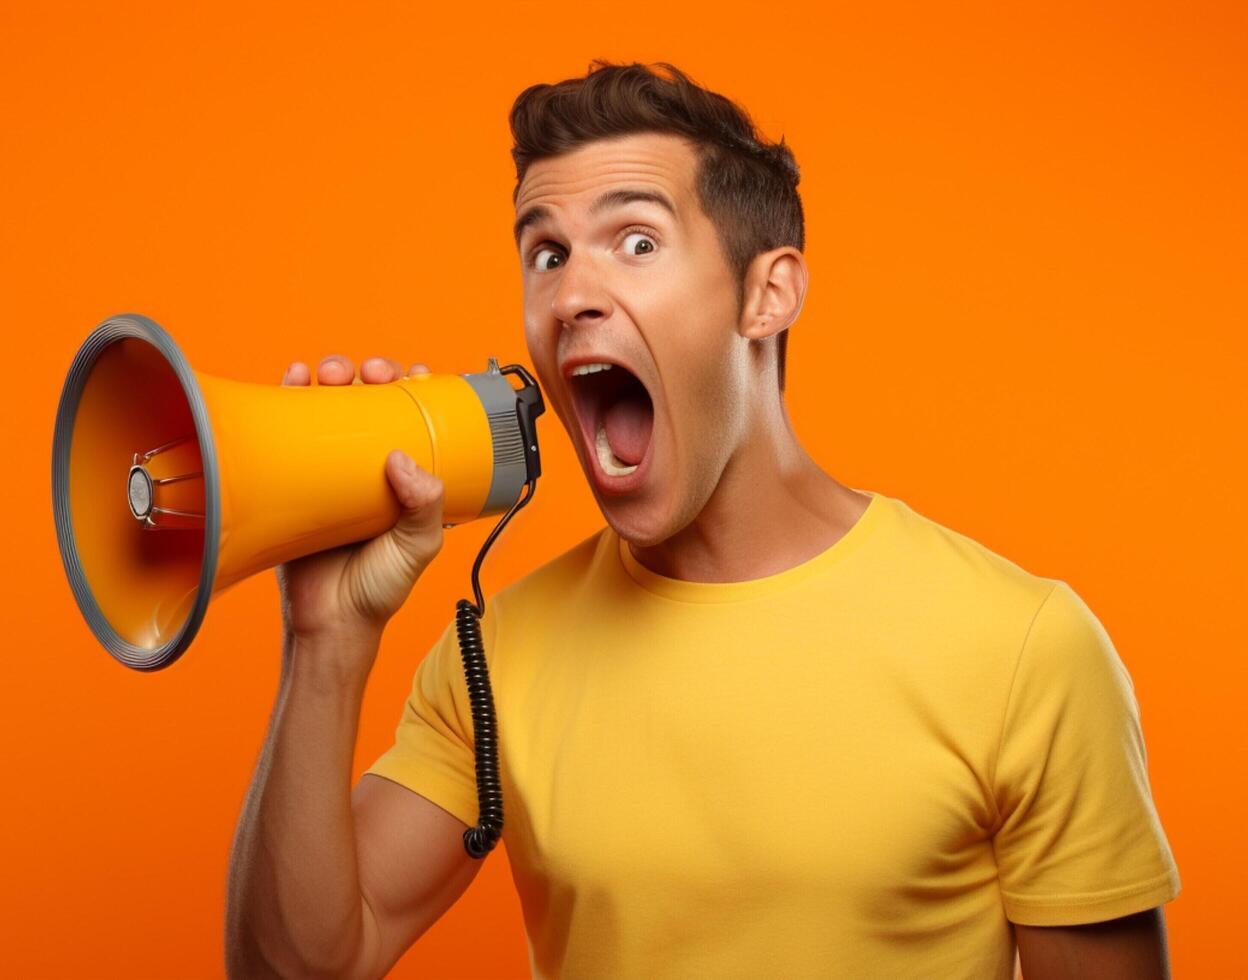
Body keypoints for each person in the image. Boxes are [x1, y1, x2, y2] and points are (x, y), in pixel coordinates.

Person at [224, 60, 1180, 979]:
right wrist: (326, 639)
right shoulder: (500, 651)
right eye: (546, 252)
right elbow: (296, 967)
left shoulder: (1023, 649)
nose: (571, 296)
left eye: (635, 242)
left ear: (768, 294)